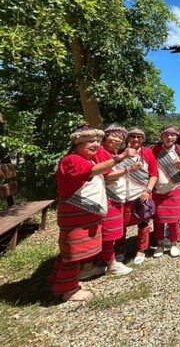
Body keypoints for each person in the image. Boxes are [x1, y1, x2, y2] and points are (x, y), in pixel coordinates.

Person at [50, 124, 136, 302]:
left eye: (97, 141)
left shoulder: (86, 159)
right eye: (90, 141)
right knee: (73, 253)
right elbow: (91, 172)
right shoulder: (73, 159)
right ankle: (69, 291)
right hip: (76, 215)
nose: (96, 144)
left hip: (83, 214)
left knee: (73, 252)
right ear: (77, 143)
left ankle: (60, 281)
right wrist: (121, 157)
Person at [93, 124, 139, 277]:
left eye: (121, 138)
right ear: (106, 136)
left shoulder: (110, 152)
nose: (117, 140)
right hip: (107, 197)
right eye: (114, 136)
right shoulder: (101, 152)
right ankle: (111, 263)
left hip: (116, 197)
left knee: (111, 231)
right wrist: (128, 168)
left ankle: (104, 260)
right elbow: (106, 176)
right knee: (108, 231)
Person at [115, 128, 158, 266]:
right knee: (122, 223)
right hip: (122, 194)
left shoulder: (147, 152)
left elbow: (154, 174)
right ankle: (120, 248)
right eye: (132, 136)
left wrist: (148, 190)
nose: (135, 139)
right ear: (127, 138)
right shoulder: (120, 153)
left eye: (139, 137)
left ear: (142, 139)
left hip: (142, 193)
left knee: (143, 221)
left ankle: (141, 249)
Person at [152, 125, 180, 258]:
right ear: (161, 136)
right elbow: (150, 168)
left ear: (176, 136)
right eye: (166, 135)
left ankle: (173, 244)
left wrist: (179, 167)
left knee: (174, 219)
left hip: (175, 188)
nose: (169, 137)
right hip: (158, 190)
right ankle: (160, 245)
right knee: (158, 219)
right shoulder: (155, 149)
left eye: (173, 135)